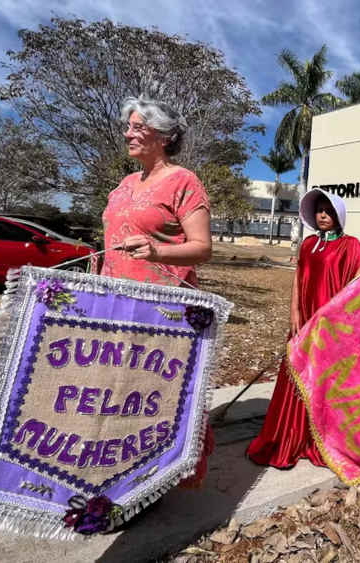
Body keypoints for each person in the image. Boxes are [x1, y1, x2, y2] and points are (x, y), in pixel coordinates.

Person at [101, 95, 213, 487]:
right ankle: (117, 469)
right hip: (114, 303)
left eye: (137, 127)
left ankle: (152, 478)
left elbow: (202, 248)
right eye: (127, 126)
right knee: (115, 390)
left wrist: (158, 250)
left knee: (151, 393)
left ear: (163, 136)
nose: (128, 133)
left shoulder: (184, 181)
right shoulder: (126, 183)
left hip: (160, 309)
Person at [247, 189, 360, 468]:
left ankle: (320, 441)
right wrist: (295, 314)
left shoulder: (352, 246)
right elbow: (299, 279)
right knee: (296, 378)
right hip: (303, 323)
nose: (322, 215)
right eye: (319, 210)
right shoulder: (307, 244)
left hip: (332, 329)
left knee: (324, 382)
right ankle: (290, 437)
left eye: (328, 211)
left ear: (338, 215)